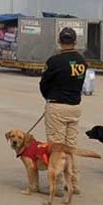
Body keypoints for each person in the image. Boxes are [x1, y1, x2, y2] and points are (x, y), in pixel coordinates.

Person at [39, 27, 87, 195]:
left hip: (57, 105)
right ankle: (73, 183)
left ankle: (57, 185)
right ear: (75, 41)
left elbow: (44, 84)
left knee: (56, 148)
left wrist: (49, 98)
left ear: (59, 41)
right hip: (74, 106)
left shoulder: (54, 61)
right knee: (71, 147)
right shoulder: (81, 61)